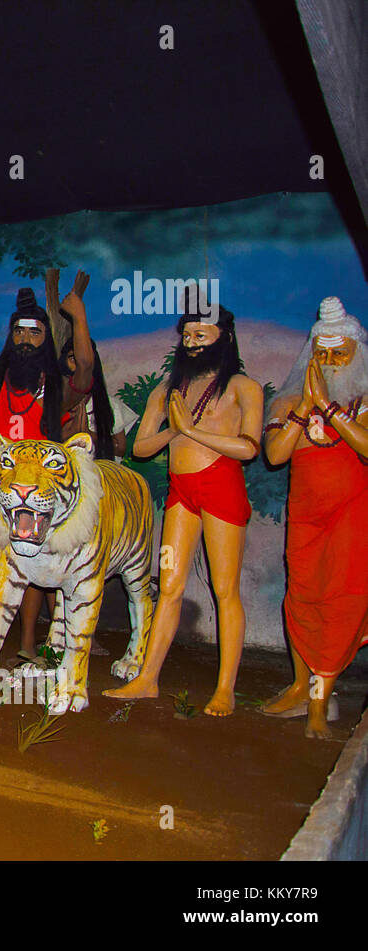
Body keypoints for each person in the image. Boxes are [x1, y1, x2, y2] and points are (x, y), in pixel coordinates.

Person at [105, 290, 263, 716]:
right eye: (187, 334)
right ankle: (148, 678)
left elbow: (249, 448)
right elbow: (140, 447)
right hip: (182, 494)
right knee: (169, 585)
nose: (192, 342)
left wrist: (191, 431)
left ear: (225, 338)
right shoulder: (167, 389)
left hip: (221, 487)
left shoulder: (242, 388)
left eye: (202, 334)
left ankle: (225, 689)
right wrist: (177, 432)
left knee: (224, 589)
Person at [0, 283, 94, 661]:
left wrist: (78, 318)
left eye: (35, 331)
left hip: (35, 494)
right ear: (10, 336)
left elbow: (85, 377)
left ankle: (27, 643)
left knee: (30, 566)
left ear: (46, 338)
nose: (26, 339)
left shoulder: (56, 386)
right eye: (19, 331)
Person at [262, 297, 368, 738]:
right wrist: (306, 407)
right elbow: (274, 454)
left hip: (351, 516)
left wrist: (330, 409)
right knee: (301, 597)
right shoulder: (289, 401)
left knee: (341, 597)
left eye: (338, 352)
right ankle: (301, 685)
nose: (329, 361)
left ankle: (321, 702)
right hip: (305, 518)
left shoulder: (364, 401)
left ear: (357, 351)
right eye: (321, 353)